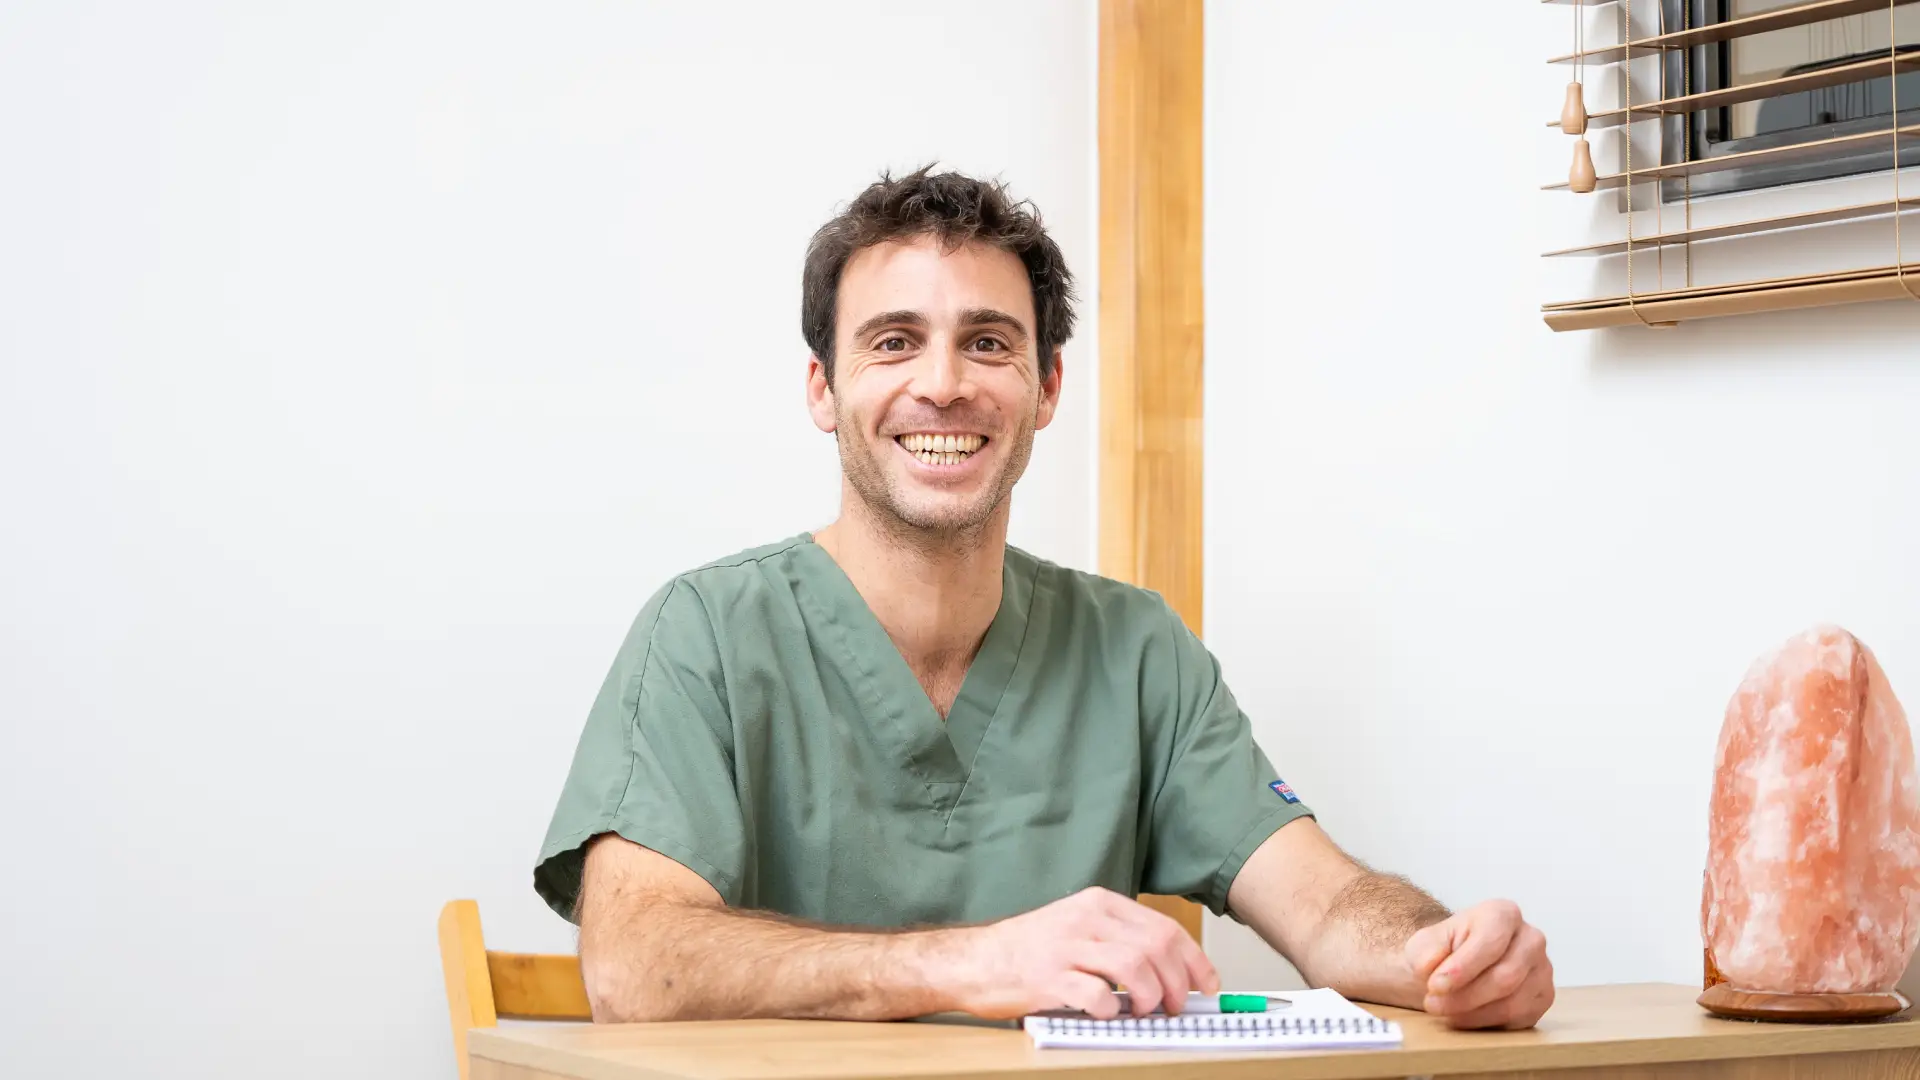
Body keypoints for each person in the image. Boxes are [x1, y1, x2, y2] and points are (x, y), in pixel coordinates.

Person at [533, 168, 1554, 1029]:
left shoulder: (1135, 650)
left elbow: (1327, 904)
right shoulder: (705, 634)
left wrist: (1443, 953)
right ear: (821, 388)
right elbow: (634, 965)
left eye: (988, 342)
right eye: (893, 342)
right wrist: (965, 965)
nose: (943, 384)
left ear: (1047, 387)